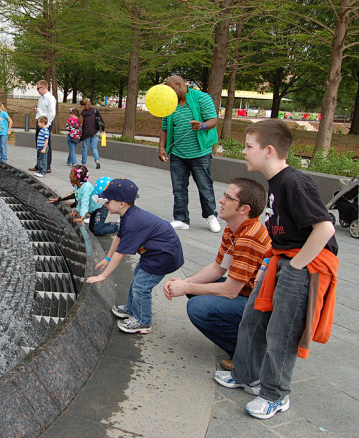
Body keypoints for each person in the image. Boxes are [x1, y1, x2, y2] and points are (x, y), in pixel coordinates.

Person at [214, 119, 338, 420]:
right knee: (253, 319)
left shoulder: (295, 182)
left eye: (248, 147)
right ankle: (246, 375)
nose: (243, 152)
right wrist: (271, 262)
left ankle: (275, 395)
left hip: (303, 264)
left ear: (269, 150)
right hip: (282, 259)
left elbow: (325, 228)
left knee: (282, 331)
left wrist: (295, 267)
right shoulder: (277, 182)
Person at [163, 178, 272, 370]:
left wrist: (186, 287)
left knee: (198, 307)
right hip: (246, 292)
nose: (221, 201)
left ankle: (248, 354)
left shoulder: (249, 237)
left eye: (228, 198)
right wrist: (183, 282)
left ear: (244, 209)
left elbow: (230, 290)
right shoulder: (234, 228)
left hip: (261, 304)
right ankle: (243, 339)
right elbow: (218, 267)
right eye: (224, 195)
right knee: (195, 291)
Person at [86, 178, 184, 334]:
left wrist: (103, 276)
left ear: (121, 203)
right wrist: (107, 258)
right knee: (137, 279)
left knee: (141, 287)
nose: (104, 204)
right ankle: (131, 309)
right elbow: (118, 238)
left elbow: (120, 254)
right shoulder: (128, 215)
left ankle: (143, 321)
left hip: (163, 257)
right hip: (154, 253)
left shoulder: (133, 222)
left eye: (107, 201)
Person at [158, 75, 221, 233]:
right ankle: (181, 219)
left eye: (171, 89)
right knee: (178, 188)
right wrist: (161, 148)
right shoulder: (169, 104)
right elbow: (165, 128)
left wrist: (202, 125)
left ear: (180, 85)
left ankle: (210, 216)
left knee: (204, 186)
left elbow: (213, 120)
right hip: (178, 154)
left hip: (200, 152)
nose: (169, 93)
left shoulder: (202, 98)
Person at [48, 170, 118, 236]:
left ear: (77, 178)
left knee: (97, 230)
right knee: (92, 229)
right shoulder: (78, 187)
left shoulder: (85, 188)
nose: (70, 177)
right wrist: (60, 200)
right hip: (94, 209)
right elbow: (77, 198)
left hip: (101, 208)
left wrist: (81, 216)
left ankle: (117, 226)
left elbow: (84, 202)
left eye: (71, 174)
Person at [29, 80, 56, 174]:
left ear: (43, 88)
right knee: (39, 144)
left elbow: (51, 113)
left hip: (45, 124)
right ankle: (39, 165)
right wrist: (37, 111)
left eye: (38, 88)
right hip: (40, 123)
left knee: (46, 144)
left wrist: (46, 126)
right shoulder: (41, 98)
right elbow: (42, 111)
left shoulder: (50, 98)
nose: (37, 90)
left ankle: (47, 166)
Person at [79, 98, 105, 169]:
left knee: (85, 148)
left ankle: (83, 163)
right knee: (94, 148)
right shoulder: (95, 110)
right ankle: (97, 161)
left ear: (83, 106)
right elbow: (101, 119)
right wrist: (103, 129)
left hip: (86, 133)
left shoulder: (83, 113)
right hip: (95, 132)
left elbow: (81, 124)